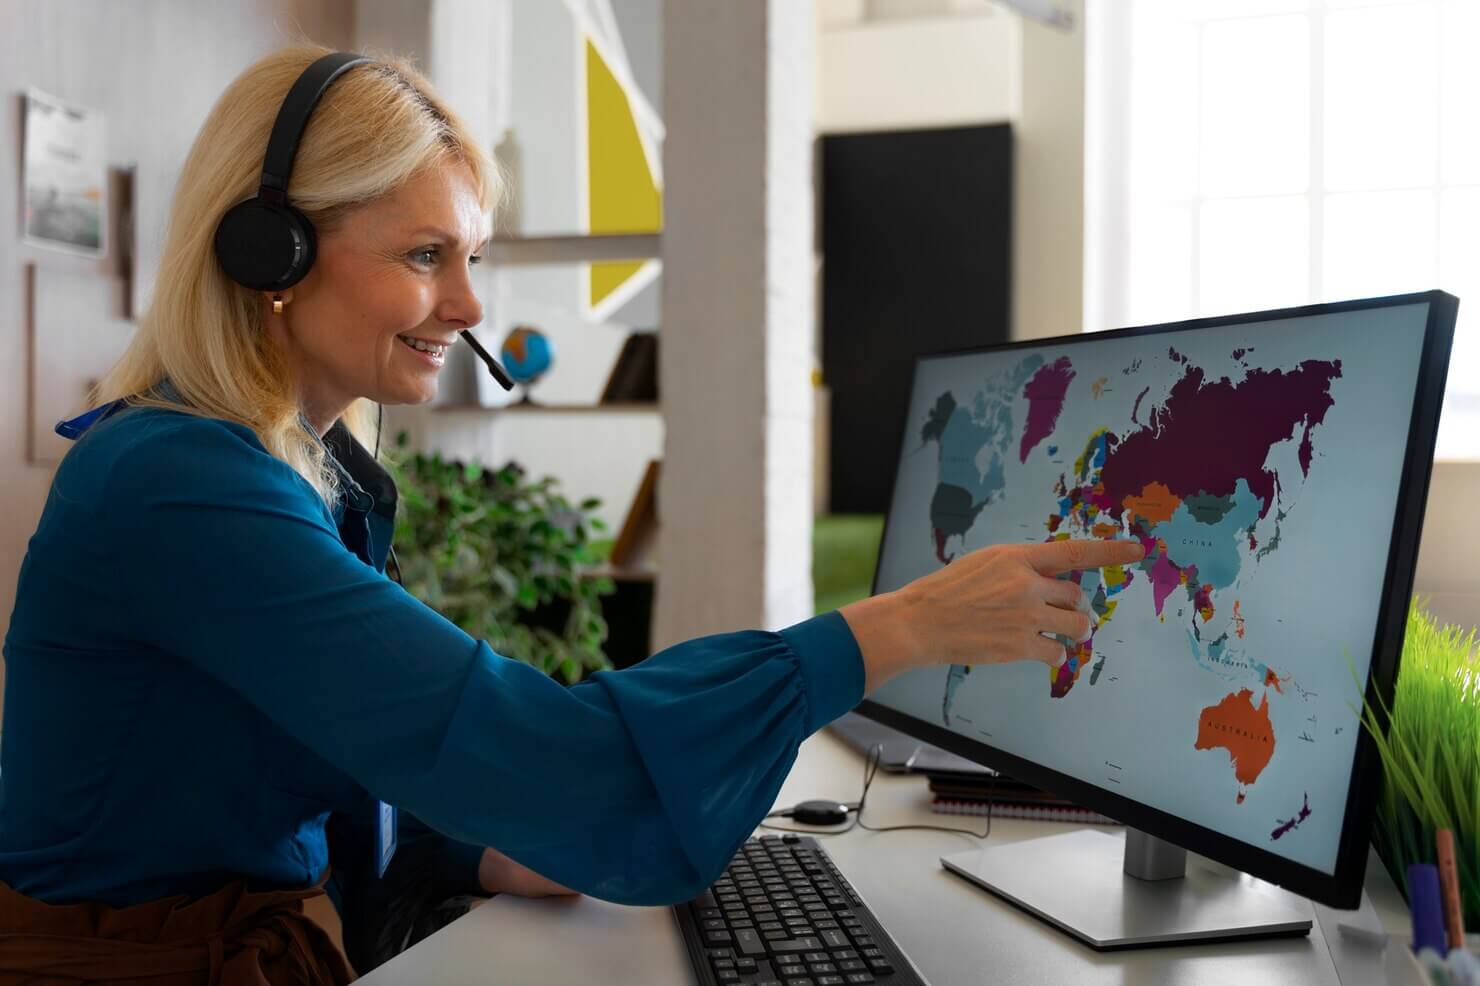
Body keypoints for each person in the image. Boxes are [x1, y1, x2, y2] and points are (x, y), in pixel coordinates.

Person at [0, 45, 1143, 984]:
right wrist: (896, 627)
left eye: (472, 256)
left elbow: (359, 763)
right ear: (270, 254)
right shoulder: (179, 487)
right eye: (423, 254)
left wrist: (484, 847)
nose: (466, 302)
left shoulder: (302, 471)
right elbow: (567, 760)